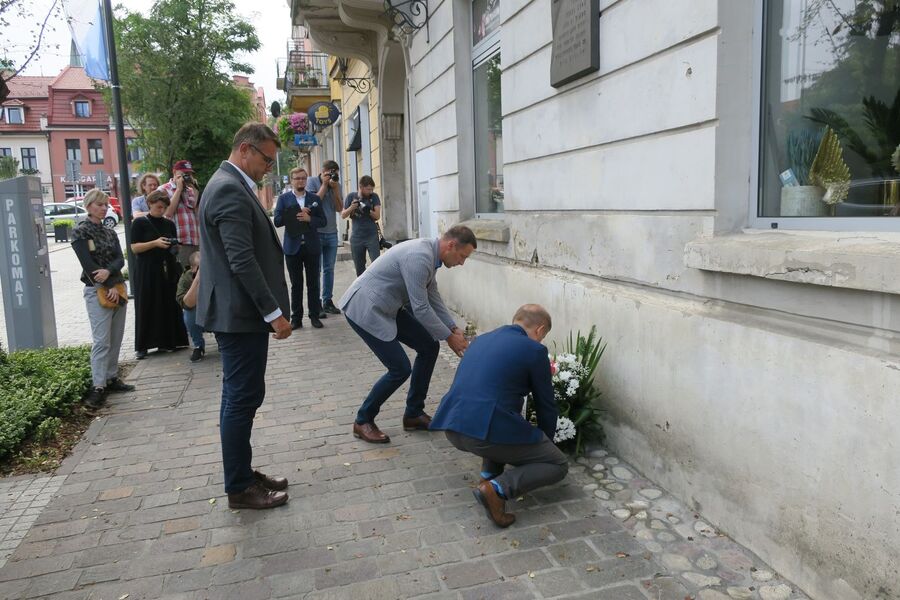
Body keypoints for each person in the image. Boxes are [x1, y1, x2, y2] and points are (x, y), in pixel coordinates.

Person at [197, 122, 292, 510]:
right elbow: (241, 260)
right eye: (266, 159)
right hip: (241, 314)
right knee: (241, 399)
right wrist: (273, 313)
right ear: (245, 150)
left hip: (237, 313)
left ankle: (242, 470)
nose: (268, 167)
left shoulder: (226, 184)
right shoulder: (228, 190)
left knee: (241, 396)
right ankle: (239, 486)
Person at [429, 304, 567, 528]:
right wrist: (546, 444)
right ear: (540, 330)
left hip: (453, 426)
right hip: (483, 433)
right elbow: (545, 404)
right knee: (558, 464)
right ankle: (497, 489)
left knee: (503, 424)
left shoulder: (481, 340)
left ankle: (488, 476)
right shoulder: (534, 351)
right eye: (543, 336)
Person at [338, 225, 476, 444]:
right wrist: (449, 338)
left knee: (429, 347)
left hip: (387, 305)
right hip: (364, 307)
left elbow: (432, 296)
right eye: (462, 256)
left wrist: (452, 328)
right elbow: (420, 308)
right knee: (399, 368)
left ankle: (413, 414)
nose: (462, 262)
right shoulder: (419, 257)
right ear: (451, 245)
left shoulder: (431, 256)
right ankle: (363, 420)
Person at [71, 188, 136, 408]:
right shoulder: (81, 231)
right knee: (101, 341)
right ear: (89, 206)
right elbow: (87, 264)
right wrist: (106, 283)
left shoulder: (110, 232)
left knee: (116, 337)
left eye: (106, 205)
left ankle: (111, 377)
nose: (104, 208)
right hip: (97, 289)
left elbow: (120, 259)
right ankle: (98, 386)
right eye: (99, 204)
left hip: (117, 287)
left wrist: (109, 274)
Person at [130, 190, 189, 359]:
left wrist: (174, 247)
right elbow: (134, 247)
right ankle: (143, 345)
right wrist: (155, 243)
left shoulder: (168, 224)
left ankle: (169, 340)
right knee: (147, 304)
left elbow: (174, 245)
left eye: (164, 208)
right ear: (150, 204)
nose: (161, 210)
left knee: (167, 303)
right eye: (158, 207)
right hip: (147, 268)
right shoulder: (140, 223)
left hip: (167, 267)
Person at [273, 167, 327, 329]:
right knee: (296, 285)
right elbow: (277, 221)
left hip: (311, 246)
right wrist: (295, 214)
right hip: (292, 248)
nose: (300, 181)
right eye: (297, 178)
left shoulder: (314, 198)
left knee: (313, 283)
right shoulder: (284, 199)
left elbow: (322, 221)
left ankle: (314, 315)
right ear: (291, 181)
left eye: (303, 178)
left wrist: (309, 218)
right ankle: (296, 318)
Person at [305, 160, 343, 317]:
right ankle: (317, 304)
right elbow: (313, 203)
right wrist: (324, 185)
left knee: (329, 269)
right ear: (323, 171)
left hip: (332, 233)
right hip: (317, 232)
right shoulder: (312, 182)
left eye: (335, 173)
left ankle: (327, 301)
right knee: (317, 270)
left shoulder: (336, 184)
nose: (333, 175)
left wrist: (334, 189)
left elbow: (340, 208)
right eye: (330, 172)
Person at [160, 159, 200, 267]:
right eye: (184, 174)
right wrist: (178, 190)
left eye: (189, 174)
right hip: (179, 243)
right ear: (174, 172)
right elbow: (167, 213)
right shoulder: (164, 189)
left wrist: (196, 192)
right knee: (181, 277)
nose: (187, 177)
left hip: (195, 240)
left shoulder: (191, 190)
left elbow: (198, 216)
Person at [341, 175, 382, 276]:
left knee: (377, 264)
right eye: (368, 189)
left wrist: (367, 209)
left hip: (371, 236)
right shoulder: (351, 196)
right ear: (361, 187)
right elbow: (343, 215)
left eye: (372, 189)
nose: (370, 191)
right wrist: (352, 207)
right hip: (357, 237)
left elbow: (377, 216)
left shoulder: (374, 197)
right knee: (359, 268)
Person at [176, 251, 205, 362]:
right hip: (199, 314)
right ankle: (199, 346)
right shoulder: (186, 278)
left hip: (215, 314)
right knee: (189, 313)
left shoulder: (217, 272)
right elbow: (185, 304)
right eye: (199, 267)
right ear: (192, 268)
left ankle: (222, 340)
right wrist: (197, 280)